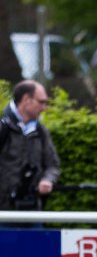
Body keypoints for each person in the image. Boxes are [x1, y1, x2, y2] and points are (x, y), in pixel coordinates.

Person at [1, 81, 60, 213]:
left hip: (32, 211)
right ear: (27, 99)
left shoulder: (41, 131)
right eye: (41, 102)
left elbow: (53, 165)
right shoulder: (2, 127)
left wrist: (47, 180)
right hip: (3, 214)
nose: (45, 107)